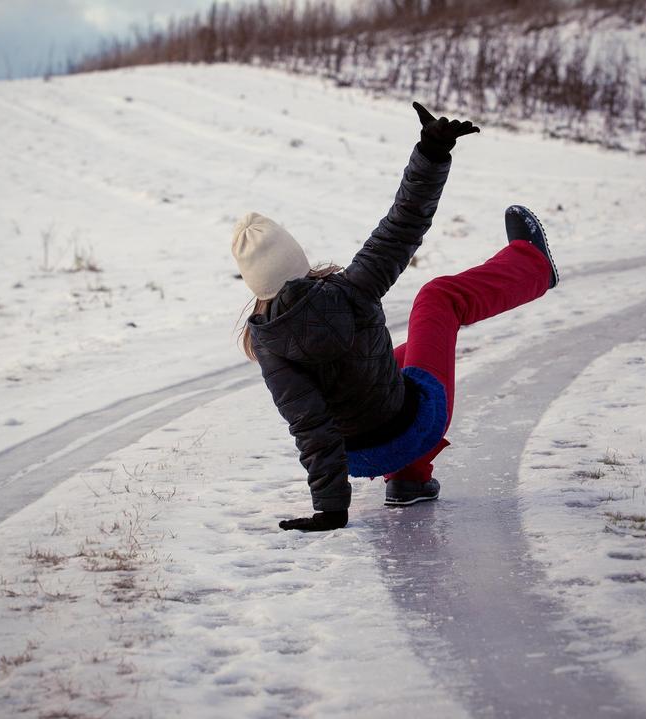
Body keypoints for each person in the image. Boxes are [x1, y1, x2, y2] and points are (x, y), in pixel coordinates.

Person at [232, 101, 558, 532]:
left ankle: (408, 481)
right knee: (437, 298)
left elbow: (310, 426)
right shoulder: (351, 289)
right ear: (298, 260)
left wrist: (331, 509)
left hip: (361, 453)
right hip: (413, 426)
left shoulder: (268, 342)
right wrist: (432, 152)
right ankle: (533, 264)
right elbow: (402, 224)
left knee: (398, 355)